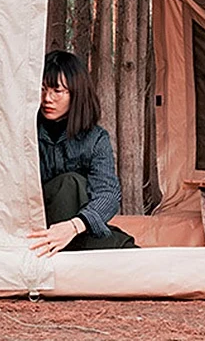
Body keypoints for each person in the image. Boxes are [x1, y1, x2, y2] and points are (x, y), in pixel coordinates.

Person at [28, 51, 136, 256]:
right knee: (69, 184)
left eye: (57, 91)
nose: (47, 99)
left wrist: (73, 227)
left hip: (74, 229)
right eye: (42, 89)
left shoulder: (95, 138)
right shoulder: (26, 132)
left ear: (76, 93)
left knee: (123, 246)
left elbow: (108, 194)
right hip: (34, 223)